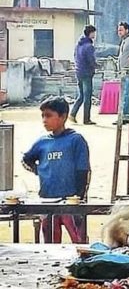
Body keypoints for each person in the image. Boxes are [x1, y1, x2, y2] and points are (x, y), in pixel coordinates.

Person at [22, 97, 91, 243]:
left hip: (71, 202)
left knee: (79, 241)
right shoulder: (42, 142)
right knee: (49, 244)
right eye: (42, 116)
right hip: (47, 200)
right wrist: (39, 170)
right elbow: (26, 159)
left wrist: (79, 198)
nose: (44, 120)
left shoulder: (76, 140)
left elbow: (83, 170)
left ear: (63, 116)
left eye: (48, 115)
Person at [70, 25, 97, 125]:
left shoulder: (78, 45)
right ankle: (86, 119)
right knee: (87, 97)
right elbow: (91, 60)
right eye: (94, 33)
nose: (95, 35)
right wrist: (96, 66)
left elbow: (75, 57)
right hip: (86, 73)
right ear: (90, 33)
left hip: (78, 71)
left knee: (81, 95)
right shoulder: (89, 46)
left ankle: (72, 114)